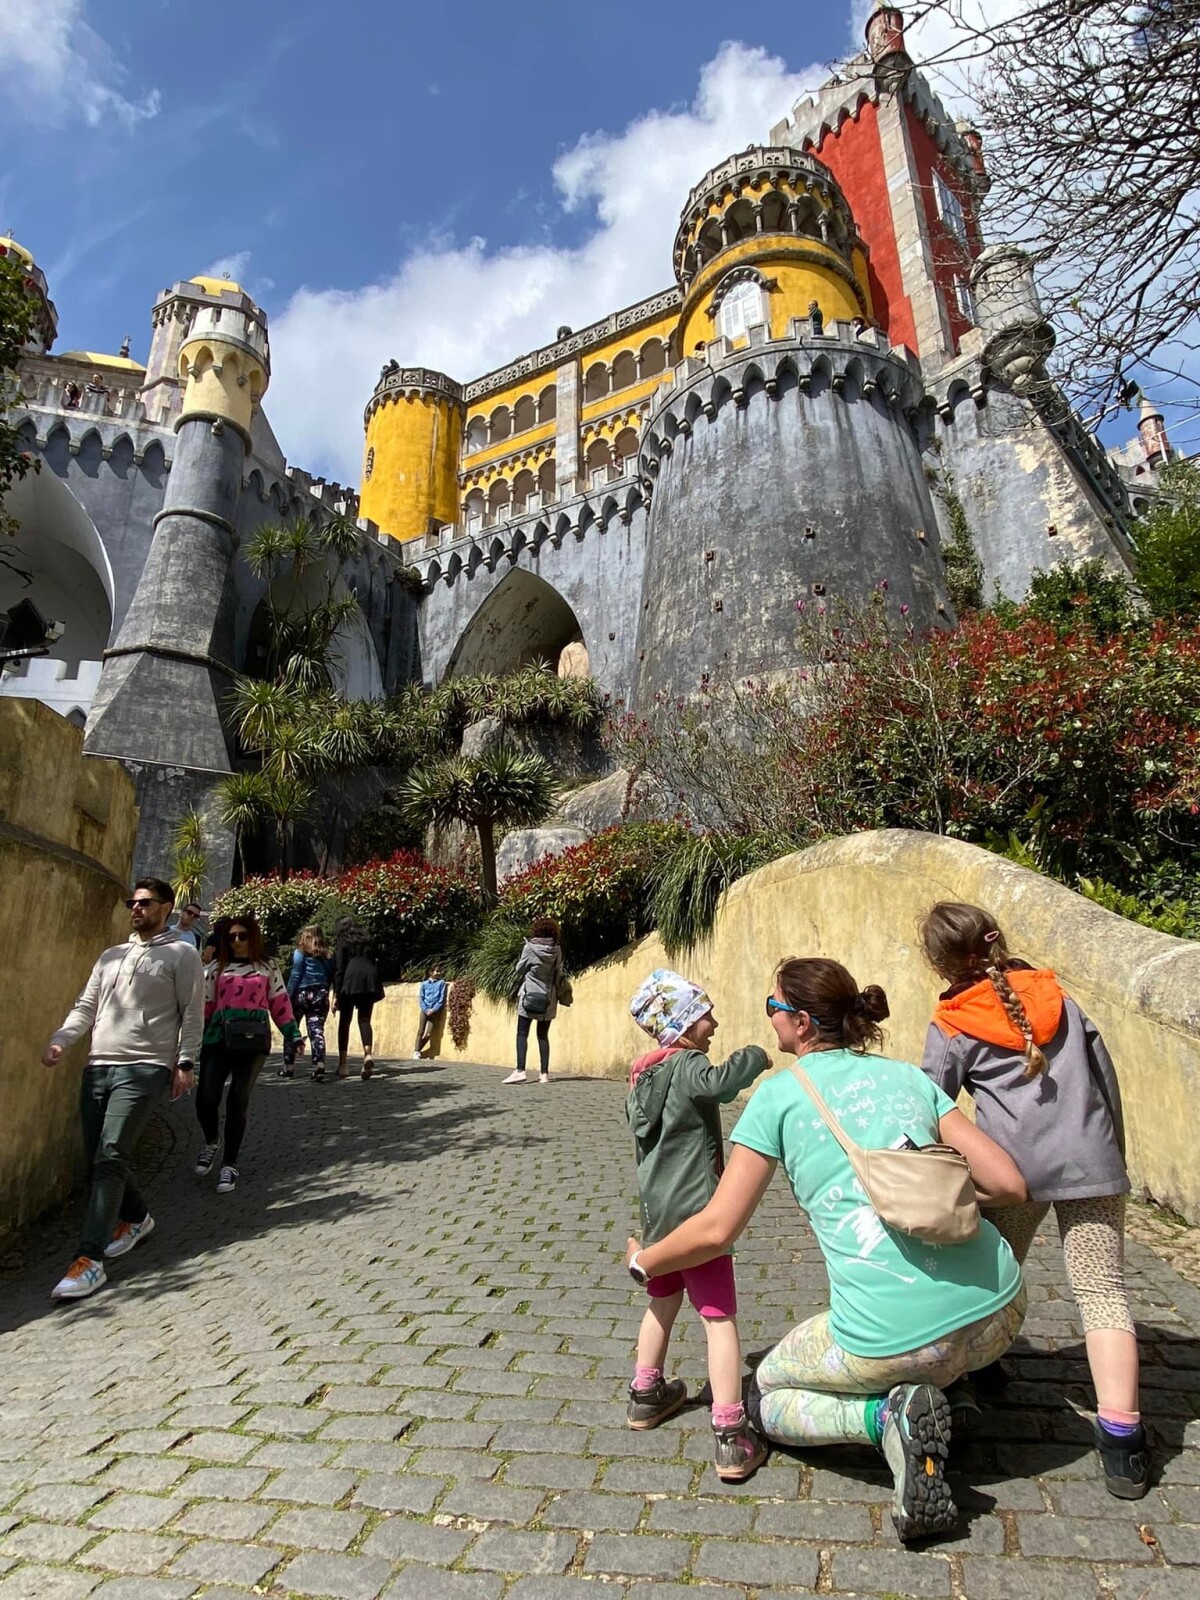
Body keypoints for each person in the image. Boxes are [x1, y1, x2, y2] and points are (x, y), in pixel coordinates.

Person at [625, 957, 1029, 1543]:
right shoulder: (908, 1076)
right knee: (939, 1341)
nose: (768, 1020)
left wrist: (646, 1260)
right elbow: (1009, 1184)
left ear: (803, 1023)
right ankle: (952, 1390)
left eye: (773, 1008)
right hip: (1002, 1312)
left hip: (894, 1341)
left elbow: (716, 1230)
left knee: (763, 1394)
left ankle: (885, 1418)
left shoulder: (778, 1097)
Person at [919, 901, 1147, 1498]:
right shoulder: (1059, 998)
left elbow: (931, 1106)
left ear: (941, 964)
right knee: (1103, 1293)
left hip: (1009, 1174)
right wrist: (1111, 1155)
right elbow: (1105, 1077)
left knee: (992, 1269)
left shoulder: (951, 1023)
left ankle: (979, 1365)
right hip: (1091, 1164)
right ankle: (1123, 1439)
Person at [624, 969, 772, 1480]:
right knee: (718, 1317)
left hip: (658, 1221)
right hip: (698, 1217)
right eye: (705, 1014)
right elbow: (722, 1084)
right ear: (683, 1024)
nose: (714, 1023)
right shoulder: (689, 1064)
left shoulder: (642, 1077)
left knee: (660, 1304)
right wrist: (755, 1055)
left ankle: (646, 1392)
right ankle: (731, 1432)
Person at [41, 878, 203, 1301]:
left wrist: (186, 1062)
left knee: (110, 1155)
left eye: (145, 902)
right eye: (132, 902)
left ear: (166, 907)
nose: (136, 908)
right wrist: (62, 1039)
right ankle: (136, 1217)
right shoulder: (111, 956)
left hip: (145, 1068)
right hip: (98, 1066)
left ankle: (88, 1260)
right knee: (100, 1155)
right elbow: (86, 1007)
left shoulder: (182, 954)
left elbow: (192, 1012)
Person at [196, 914, 297, 1193]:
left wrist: (293, 1033)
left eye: (243, 936)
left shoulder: (267, 967)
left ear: (253, 937)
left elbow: (280, 1001)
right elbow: (205, 1006)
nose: (237, 941)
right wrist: (192, 1039)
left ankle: (230, 1163)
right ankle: (211, 1140)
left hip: (252, 1042)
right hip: (217, 1039)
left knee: (238, 1099)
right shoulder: (215, 969)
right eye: (231, 937)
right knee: (206, 1097)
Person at [502, 918, 563, 1086]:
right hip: (548, 998)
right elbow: (558, 971)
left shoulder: (529, 948)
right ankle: (544, 1074)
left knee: (522, 1033)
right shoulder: (556, 950)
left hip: (529, 995)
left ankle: (520, 1070)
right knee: (543, 1035)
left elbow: (519, 969)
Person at [332, 918, 384, 1079]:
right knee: (364, 1019)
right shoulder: (367, 938)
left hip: (350, 978)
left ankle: (343, 1064)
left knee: (345, 1021)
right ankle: (367, 1053)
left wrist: (336, 993)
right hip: (369, 978)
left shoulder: (343, 939)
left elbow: (340, 967)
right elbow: (377, 958)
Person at [281, 925, 334, 1081]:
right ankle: (319, 1065)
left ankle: (289, 1067)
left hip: (301, 994)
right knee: (316, 1030)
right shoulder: (327, 955)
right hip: (320, 993)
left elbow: (296, 974)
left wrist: (288, 994)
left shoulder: (300, 952)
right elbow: (329, 975)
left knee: (292, 1028)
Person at [413, 963, 447, 1060]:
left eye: (440, 971)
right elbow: (421, 998)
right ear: (431, 972)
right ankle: (416, 1051)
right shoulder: (424, 984)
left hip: (434, 1011)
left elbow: (441, 998)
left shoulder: (441, 983)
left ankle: (418, 1049)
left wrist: (434, 1009)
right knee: (420, 1031)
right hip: (425, 1010)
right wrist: (425, 1009)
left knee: (428, 1033)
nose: (439, 973)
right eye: (437, 971)